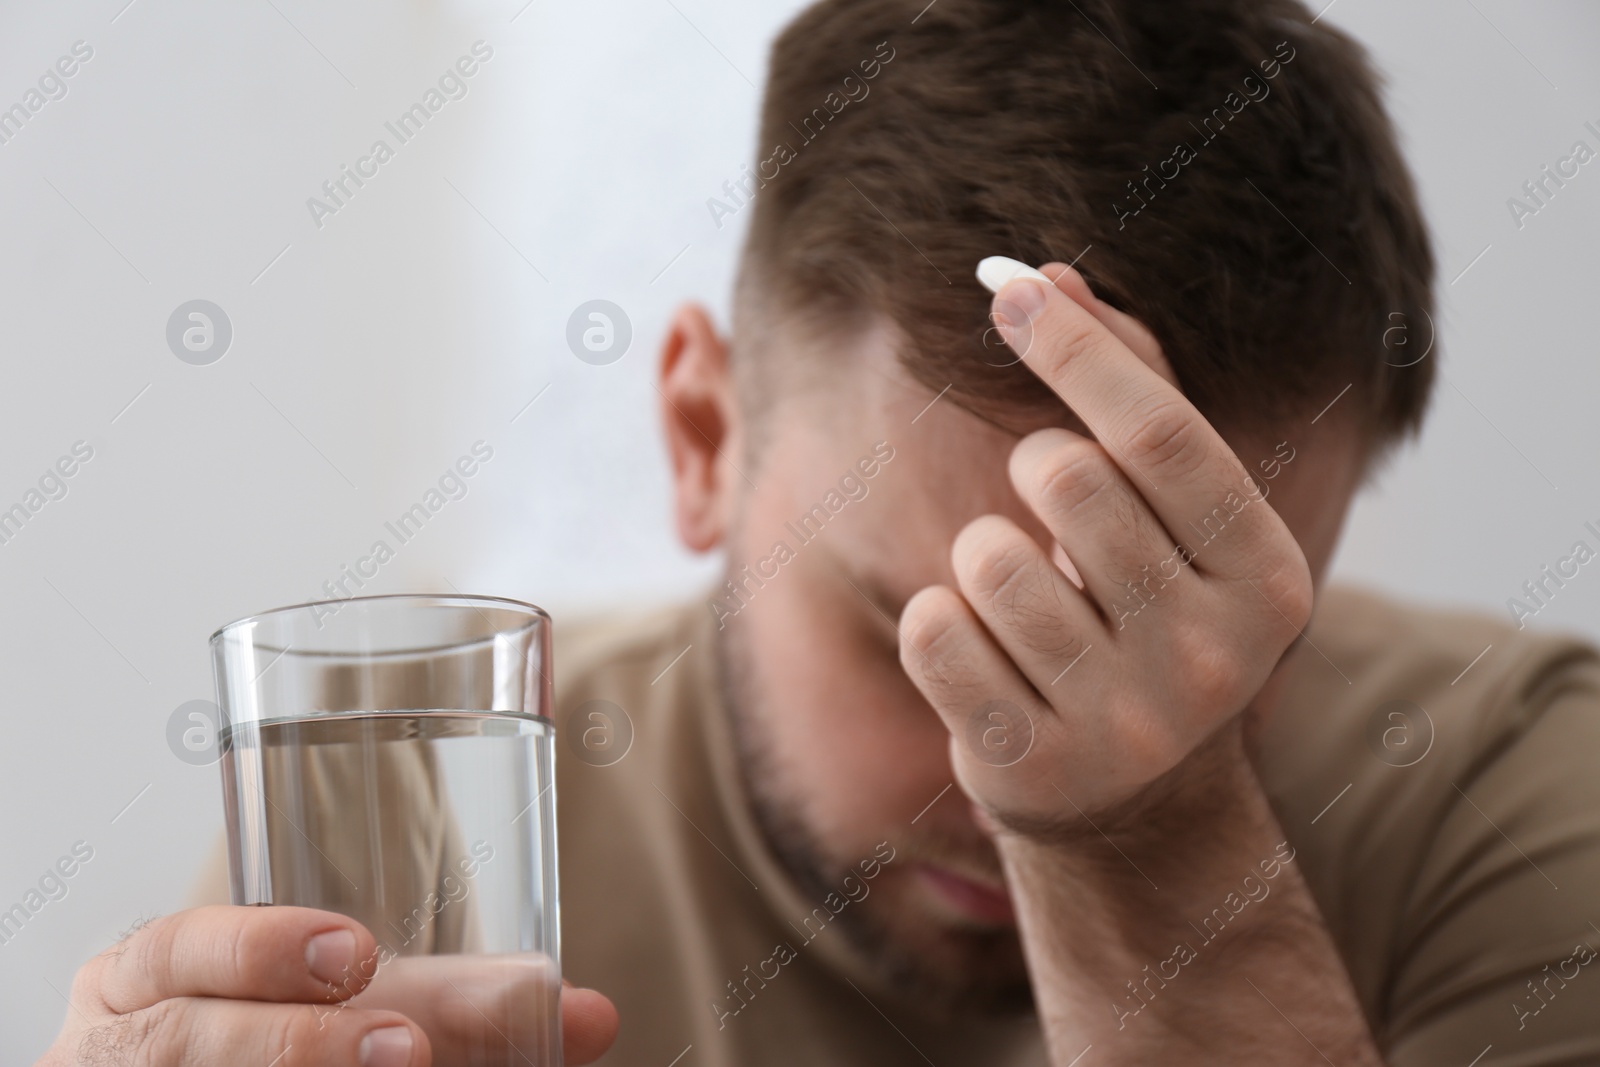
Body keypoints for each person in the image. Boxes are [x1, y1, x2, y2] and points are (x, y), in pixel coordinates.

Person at [38, 0, 1600, 1064]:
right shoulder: (444, 807)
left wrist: (1151, 833)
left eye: (1214, 635)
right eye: (920, 635)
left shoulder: (1517, 787)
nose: (1025, 769)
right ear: (704, 434)